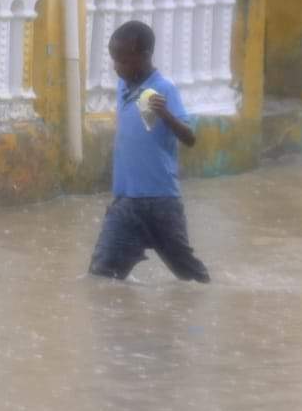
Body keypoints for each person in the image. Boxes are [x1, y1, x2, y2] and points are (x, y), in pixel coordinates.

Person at [87, 20, 210, 283]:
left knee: (189, 275)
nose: (116, 68)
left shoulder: (163, 89)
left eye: (123, 61)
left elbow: (190, 138)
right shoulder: (124, 86)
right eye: (114, 60)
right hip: (125, 202)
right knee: (102, 275)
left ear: (144, 56)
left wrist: (165, 114)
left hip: (160, 202)